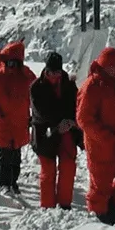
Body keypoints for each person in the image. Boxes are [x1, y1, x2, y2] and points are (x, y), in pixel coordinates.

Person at [77, 47, 115, 224]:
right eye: (114, 67)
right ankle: (100, 218)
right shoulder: (91, 86)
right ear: (104, 65)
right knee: (100, 186)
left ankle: (111, 207)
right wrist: (106, 137)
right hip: (100, 146)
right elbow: (84, 119)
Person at [0, 41, 37, 194]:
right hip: (1, 122)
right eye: (9, 62)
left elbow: (37, 95)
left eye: (15, 62)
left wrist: (35, 115)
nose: (12, 66)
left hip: (20, 122)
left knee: (16, 155)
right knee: (5, 154)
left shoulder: (27, 75)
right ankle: (5, 184)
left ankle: (13, 182)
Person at [31, 52, 81, 210]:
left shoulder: (69, 84)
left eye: (57, 72)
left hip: (66, 130)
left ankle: (65, 204)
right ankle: (47, 206)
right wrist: (59, 124)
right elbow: (40, 113)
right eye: (51, 72)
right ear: (45, 70)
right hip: (45, 133)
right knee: (48, 170)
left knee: (68, 166)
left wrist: (72, 122)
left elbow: (76, 105)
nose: (54, 76)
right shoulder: (36, 87)